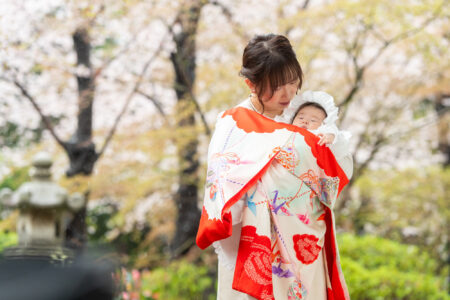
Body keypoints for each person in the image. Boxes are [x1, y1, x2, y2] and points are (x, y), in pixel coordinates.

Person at [196, 34, 351, 300]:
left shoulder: (304, 118)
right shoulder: (234, 125)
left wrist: (331, 142)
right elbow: (222, 191)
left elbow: (335, 173)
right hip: (257, 245)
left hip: (306, 242)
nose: (288, 93)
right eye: (277, 86)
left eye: (293, 82)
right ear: (250, 84)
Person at [275, 90, 353, 179]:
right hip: (281, 172)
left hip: (306, 176)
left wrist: (331, 137)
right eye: (301, 117)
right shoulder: (285, 131)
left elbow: (340, 146)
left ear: (323, 125)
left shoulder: (320, 137)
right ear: (292, 119)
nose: (305, 121)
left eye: (313, 120)